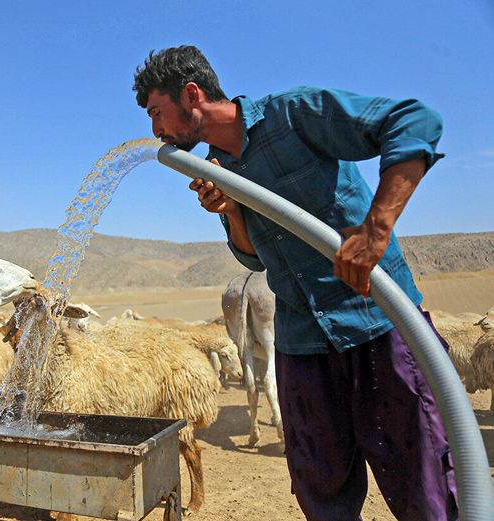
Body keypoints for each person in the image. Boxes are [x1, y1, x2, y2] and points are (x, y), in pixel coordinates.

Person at [133, 45, 457, 521]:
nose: (156, 131)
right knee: (320, 494)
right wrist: (232, 210)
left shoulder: (295, 114)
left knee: (422, 482)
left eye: (158, 113)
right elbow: (252, 259)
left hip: (378, 325)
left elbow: (415, 121)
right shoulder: (220, 169)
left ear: (192, 94)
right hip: (301, 345)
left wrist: (374, 232)